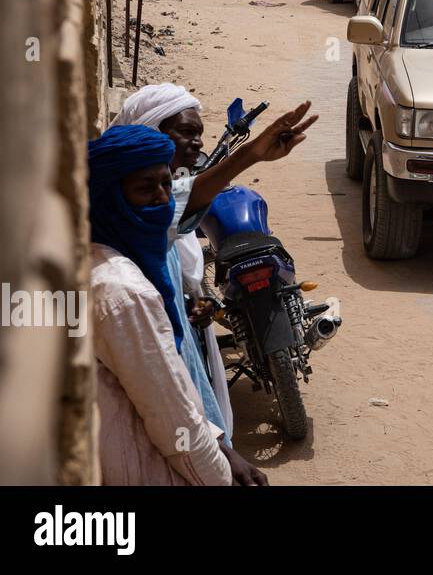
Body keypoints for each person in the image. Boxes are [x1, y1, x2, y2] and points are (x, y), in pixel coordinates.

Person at [112, 85, 318, 450]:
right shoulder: (135, 206)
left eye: (200, 135)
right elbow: (178, 205)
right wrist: (250, 154)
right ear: (151, 134)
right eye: (186, 133)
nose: (196, 143)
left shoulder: (155, 192)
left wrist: (192, 302)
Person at [88, 124, 237, 485]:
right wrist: (222, 476)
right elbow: (174, 423)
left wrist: (220, 443)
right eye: (144, 188)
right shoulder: (124, 294)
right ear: (111, 198)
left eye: (166, 184)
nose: (162, 199)